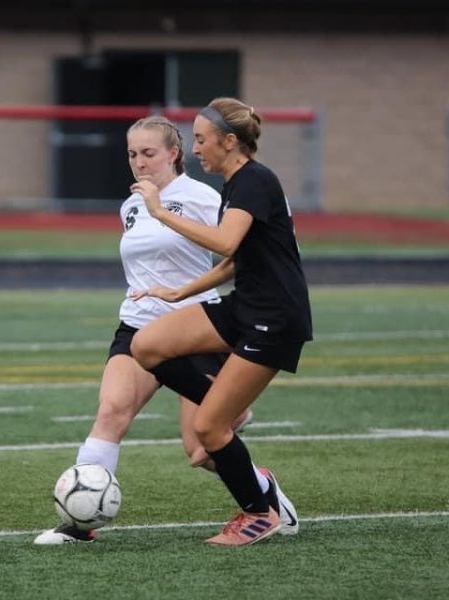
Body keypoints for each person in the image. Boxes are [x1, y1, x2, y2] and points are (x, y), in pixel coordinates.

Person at [34, 115, 298, 544]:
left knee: (202, 449)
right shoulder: (132, 204)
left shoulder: (202, 196)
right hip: (137, 325)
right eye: (132, 154)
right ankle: (80, 526)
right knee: (111, 413)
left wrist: (183, 286)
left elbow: (240, 248)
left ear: (174, 153)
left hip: (194, 326)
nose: (139, 162)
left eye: (149, 153)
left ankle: (263, 491)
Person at [129, 97, 312, 546]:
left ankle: (258, 512)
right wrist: (182, 292)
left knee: (208, 431)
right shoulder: (236, 181)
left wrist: (159, 211)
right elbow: (236, 258)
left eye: (202, 140)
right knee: (147, 345)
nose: (195, 150)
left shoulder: (254, 181)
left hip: (274, 318)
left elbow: (226, 239)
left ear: (230, 142)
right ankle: (224, 403)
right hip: (243, 306)